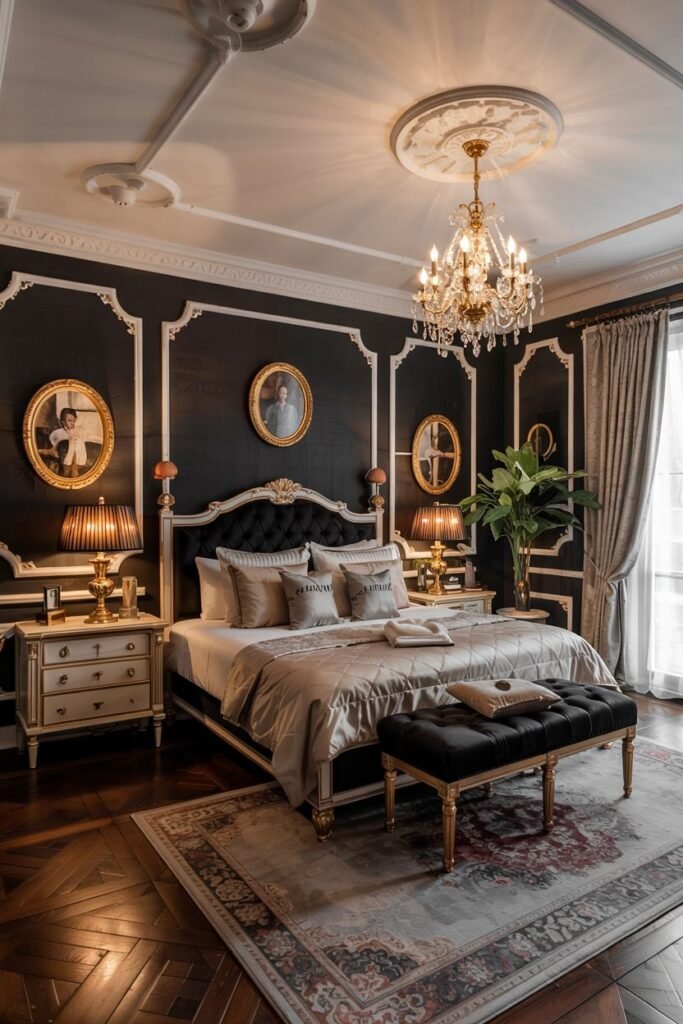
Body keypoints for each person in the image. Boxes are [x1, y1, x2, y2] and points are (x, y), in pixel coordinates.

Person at [48, 407, 89, 477]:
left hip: (79, 460)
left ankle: (74, 467)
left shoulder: (79, 431)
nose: (72, 423)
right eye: (69, 420)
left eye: (74, 421)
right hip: (64, 458)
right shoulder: (57, 433)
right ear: (63, 422)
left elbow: (81, 446)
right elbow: (54, 447)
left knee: (76, 440)